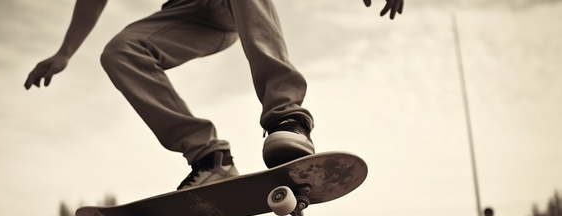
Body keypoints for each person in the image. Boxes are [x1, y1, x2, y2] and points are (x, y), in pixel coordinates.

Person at [24, 0, 404, 190]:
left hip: (231, 9)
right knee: (120, 51)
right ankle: (209, 158)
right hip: (187, 15)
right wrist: (65, 53)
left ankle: (285, 117)